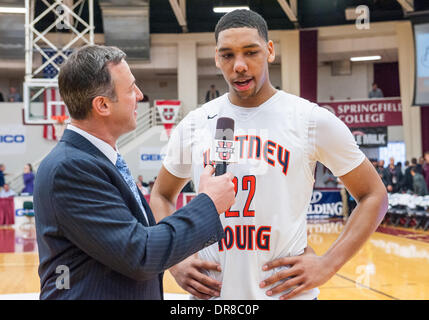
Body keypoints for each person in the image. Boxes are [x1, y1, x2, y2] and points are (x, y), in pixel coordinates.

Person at [150, 9, 388, 300]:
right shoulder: (194, 124)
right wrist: (175, 261)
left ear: (270, 51)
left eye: (251, 52)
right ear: (216, 58)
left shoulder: (310, 120)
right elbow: (160, 195)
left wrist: (328, 264)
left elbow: (374, 195)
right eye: (227, 55)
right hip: (213, 297)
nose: (239, 65)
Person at [33, 45, 236, 300]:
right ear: (103, 105)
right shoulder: (71, 168)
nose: (140, 95)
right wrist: (208, 203)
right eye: (130, 89)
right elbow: (140, 254)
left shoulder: (96, 160)